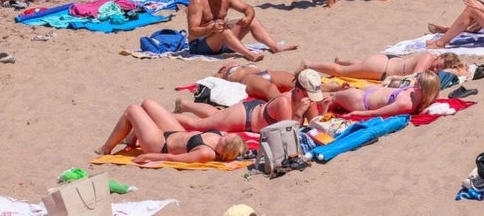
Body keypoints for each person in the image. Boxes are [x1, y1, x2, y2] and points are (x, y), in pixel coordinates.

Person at [186, 0, 296, 61]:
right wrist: (211, 28)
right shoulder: (198, 2)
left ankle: (275, 47)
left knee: (252, 20)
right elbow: (193, 31)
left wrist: (248, 17)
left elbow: (248, 9)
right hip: (199, 45)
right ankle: (249, 54)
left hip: (222, 42)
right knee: (223, 30)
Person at [98, 100, 246, 165]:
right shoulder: (220, 136)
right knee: (147, 104)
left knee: (132, 109)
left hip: (160, 144)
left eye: (225, 139)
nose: (224, 135)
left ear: (223, 150)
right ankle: (132, 139)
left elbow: (173, 158)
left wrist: (149, 156)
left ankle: (106, 148)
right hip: (176, 133)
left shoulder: (206, 153)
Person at [175, 79, 321, 132]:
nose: (311, 98)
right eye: (309, 94)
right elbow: (289, 132)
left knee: (216, 116)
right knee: (198, 125)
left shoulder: (306, 100)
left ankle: (185, 105)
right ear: (298, 90)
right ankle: (164, 116)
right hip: (245, 117)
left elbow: (316, 125)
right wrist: (299, 113)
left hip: (253, 111)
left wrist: (323, 108)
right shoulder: (284, 101)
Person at [324, 71, 440, 119]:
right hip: (370, 92)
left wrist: (356, 113)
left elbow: (377, 113)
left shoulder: (405, 104)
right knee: (337, 92)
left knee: (332, 99)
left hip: (362, 101)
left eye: (418, 80)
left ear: (420, 87)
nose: (415, 80)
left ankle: (317, 111)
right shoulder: (418, 93)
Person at [305, 51, 465, 81]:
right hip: (380, 69)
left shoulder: (429, 58)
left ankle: (343, 60)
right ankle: (309, 64)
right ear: (439, 57)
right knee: (341, 72)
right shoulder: (428, 58)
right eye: (437, 65)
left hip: (387, 61)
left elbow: (463, 70)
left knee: (360, 65)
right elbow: (414, 77)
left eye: (439, 69)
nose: (435, 69)